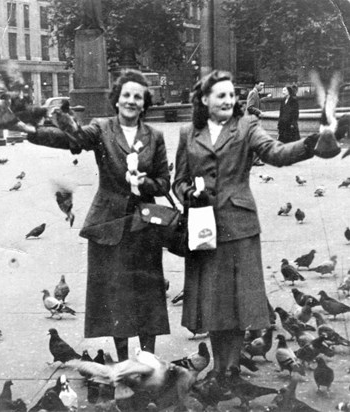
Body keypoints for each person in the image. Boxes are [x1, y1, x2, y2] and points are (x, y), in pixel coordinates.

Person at [172, 70, 321, 394]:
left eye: (231, 95)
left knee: (237, 302)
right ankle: (216, 365)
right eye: (221, 95)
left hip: (239, 225)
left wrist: (311, 143)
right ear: (204, 99)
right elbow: (179, 179)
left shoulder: (246, 127)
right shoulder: (188, 132)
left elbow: (275, 153)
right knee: (213, 301)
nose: (228, 100)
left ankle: (231, 368)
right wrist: (189, 194)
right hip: (203, 228)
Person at [24, 69, 171, 361]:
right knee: (116, 298)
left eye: (137, 97)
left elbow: (164, 182)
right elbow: (69, 139)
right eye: (126, 95)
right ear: (116, 100)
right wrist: (30, 131)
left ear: (144, 103)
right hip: (109, 225)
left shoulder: (154, 136)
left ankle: (148, 360)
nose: (131, 101)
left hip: (144, 223)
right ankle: (121, 360)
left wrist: (144, 182)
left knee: (147, 293)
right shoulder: (102, 128)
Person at [246, 79, 265, 166]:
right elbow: (250, 107)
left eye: (263, 85)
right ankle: (255, 160)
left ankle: (252, 159)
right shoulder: (253, 93)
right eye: (261, 85)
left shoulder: (256, 93)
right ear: (256, 84)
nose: (262, 87)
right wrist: (259, 112)